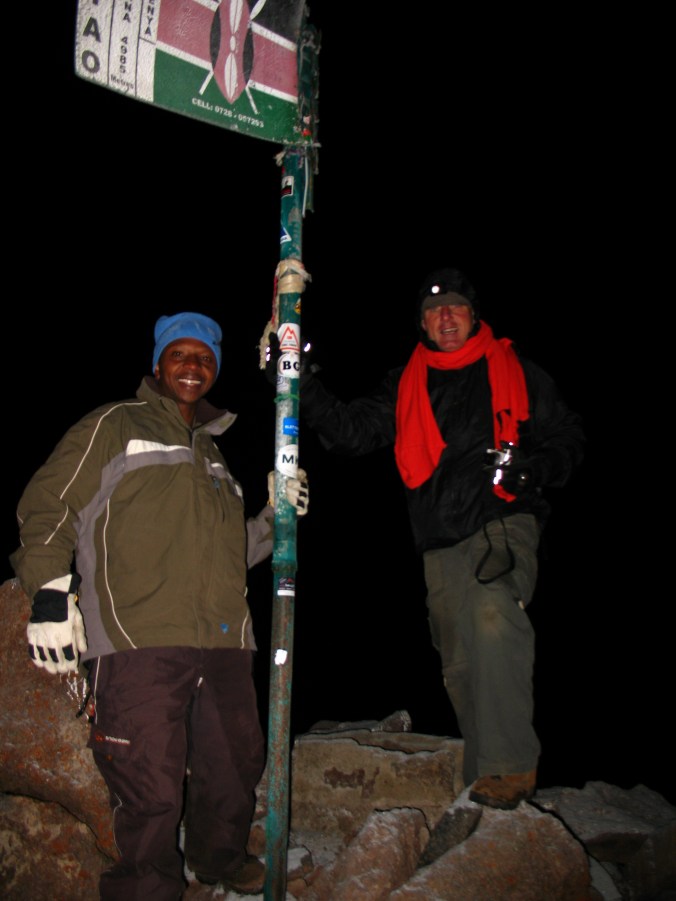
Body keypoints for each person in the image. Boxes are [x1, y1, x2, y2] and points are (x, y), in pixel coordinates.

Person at [10, 311, 309, 899]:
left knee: (234, 766)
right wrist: (48, 591)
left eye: (205, 358)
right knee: (148, 783)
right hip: (137, 639)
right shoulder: (114, 424)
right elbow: (48, 503)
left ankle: (218, 860)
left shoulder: (215, 456)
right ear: (158, 363)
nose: (193, 366)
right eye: (180, 355)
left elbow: (229, 551)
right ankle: (146, 889)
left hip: (224, 641)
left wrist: (276, 520)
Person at [271, 267, 584, 811]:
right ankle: (484, 775)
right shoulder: (407, 382)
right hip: (438, 541)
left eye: (456, 306)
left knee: (493, 615)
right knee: (459, 658)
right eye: (434, 311)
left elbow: (568, 436)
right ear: (422, 324)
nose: (446, 316)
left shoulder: (515, 370)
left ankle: (511, 765)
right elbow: (351, 432)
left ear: (474, 315)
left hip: (502, 519)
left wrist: (533, 469)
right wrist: (298, 379)